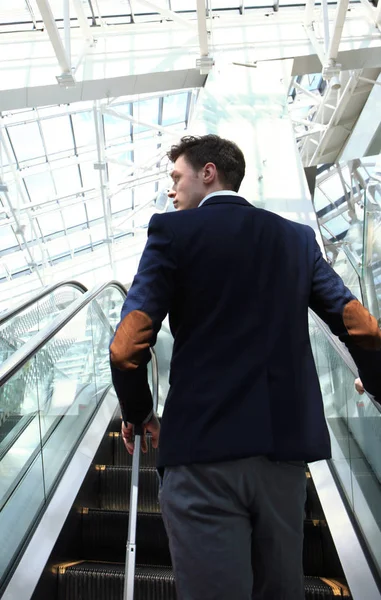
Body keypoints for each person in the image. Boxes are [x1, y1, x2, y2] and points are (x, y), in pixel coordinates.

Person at [110, 134, 381, 600]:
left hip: (200, 457)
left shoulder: (172, 234)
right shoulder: (296, 239)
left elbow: (126, 346)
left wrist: (139, 413)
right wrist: (376, 384)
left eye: (177, 177)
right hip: (282, 461)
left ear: (208, 172)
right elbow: (362, 328)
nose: (171, 190)